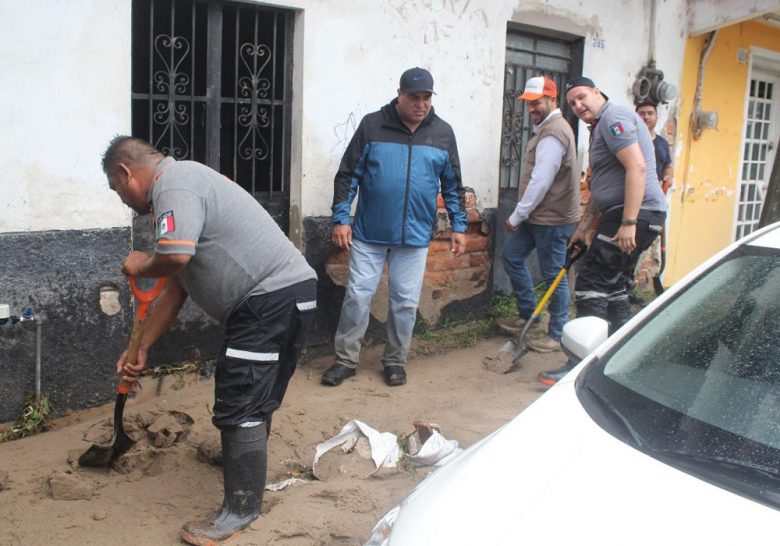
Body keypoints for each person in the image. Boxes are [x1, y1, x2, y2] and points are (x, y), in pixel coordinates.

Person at [102, 136, 317, 544]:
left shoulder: (174, 183)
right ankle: (241, 461)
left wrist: (140, 263)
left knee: (240, 397)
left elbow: (173, 257)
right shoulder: (183, 189)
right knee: (256, 393)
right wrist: (143, 345)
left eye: (117, 189)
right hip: (290, 295)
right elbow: (176, 286)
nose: (123, 199)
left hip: (266, 301)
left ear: (125, 173)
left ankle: (241, 509)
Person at [321, 67, 467, 388]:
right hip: (369, 233)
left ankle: (395, 361)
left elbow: (453, 184)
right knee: (358, 297)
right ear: (399, 95)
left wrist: (459, 225)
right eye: (414, 97)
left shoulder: (443, 133)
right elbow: (347, 175)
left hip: (414, 237)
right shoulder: (372, 125)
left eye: (426, 97)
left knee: (405, 303)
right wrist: (341, 218)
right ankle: (345, 360)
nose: (421, 104)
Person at [538, 77, 667, 386]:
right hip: (629, 213)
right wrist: (584, 228)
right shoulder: (600, 127)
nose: (578, 105)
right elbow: (603, 187)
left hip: (634, 213)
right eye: (572, 103)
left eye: (582, 97)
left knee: (592, 283)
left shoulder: (613, 118)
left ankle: (580, 367)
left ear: (597, 93)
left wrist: (628, 222)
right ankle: (621, 361)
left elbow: (636, 167)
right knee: (615, 286)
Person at [496, 76, 580, 352]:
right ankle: (529, 315)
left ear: (552, 100)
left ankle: (557, 334)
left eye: (537, 103)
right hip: (538, 216)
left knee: (554, 275)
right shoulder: (546, 129)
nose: (531, 108)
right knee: (512, 256)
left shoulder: (554, 133)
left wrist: (517, 215)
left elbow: (541, 181)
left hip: (552, 219)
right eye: (529, 103)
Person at [635, 101, 673, 194]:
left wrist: (667, 176)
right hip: (632, 192)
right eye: (642, 113)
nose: (646, 117)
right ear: (635, 117)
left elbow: (667, 166)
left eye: (650, 113)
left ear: (656, 117)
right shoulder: (629, 140)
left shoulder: (663, 143)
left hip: (655, 194)